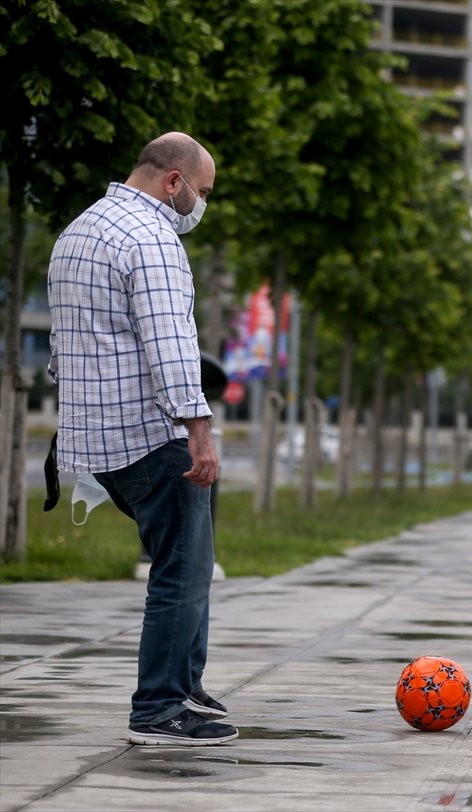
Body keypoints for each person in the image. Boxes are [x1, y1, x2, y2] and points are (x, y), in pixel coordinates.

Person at [47, 132, 237, 746]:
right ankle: (158, 707)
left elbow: (62, 346)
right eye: (202, 192)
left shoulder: (79, 230)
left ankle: (183, 683)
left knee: (189, 557)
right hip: (147, 432)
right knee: (181, 566)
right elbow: (172, 348)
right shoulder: (152, 239)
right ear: (173, 182)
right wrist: (199, 432)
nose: (202, 206)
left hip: (94, 433)